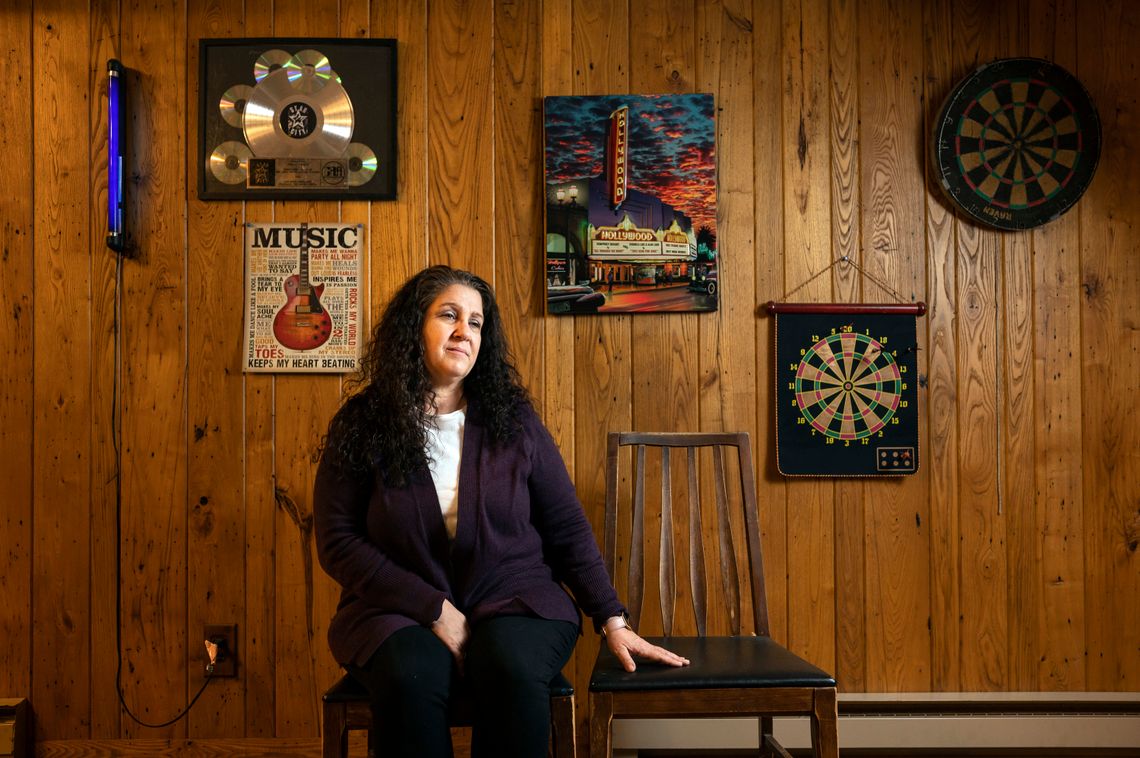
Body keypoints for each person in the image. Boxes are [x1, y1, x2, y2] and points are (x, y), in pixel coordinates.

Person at [314, 265, 688, 758]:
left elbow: (565, 526)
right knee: (412, 674)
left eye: (475, 322)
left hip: (517, 598)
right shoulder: (363, 422)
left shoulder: (512, 418)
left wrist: (611, 618)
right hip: (394, 608)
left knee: (507, 665)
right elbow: (339, 542)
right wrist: (434, 610)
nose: (463, 331)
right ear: (413, 327)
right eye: (448, 315)